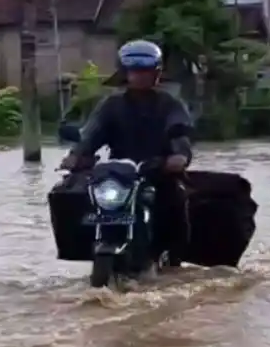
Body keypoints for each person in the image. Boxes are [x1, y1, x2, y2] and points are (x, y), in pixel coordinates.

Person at [60, 39, 193, 266]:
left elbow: (179, 133)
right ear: (125, 73)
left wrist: (178, 156)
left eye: (146, 71)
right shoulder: (111, 105)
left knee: (176, 199)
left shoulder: (170, 103)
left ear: (157, 73)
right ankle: (92, 244)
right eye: (135, 71)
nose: (140, 76)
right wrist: (76, 155)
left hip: (158, 172)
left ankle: (173, 257)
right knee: (75, 197)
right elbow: (91, 134)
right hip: (118, 176)